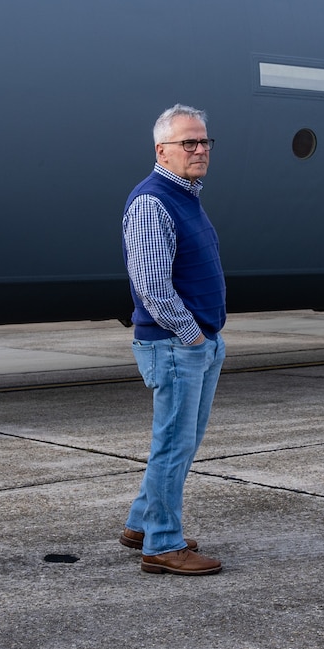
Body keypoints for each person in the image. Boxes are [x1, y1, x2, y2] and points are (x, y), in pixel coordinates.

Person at [120, 104, 226, 576]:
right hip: (176, 345)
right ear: (162, 150)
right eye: (189, 143)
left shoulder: (186, 196)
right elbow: (151, 283)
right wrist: (192, 337)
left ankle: (143, 524)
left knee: (178, 443)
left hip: (193, 343)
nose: (200, 149)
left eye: (204, 141)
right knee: (173, 446)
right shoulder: (153, 201)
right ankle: (163, 544)